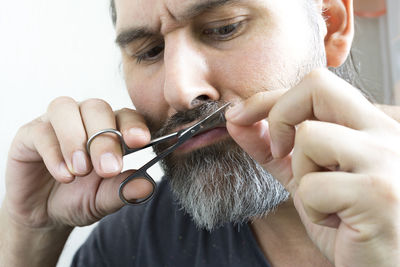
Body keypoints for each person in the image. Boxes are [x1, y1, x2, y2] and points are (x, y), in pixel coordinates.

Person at [1, 0, 400, 266]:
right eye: (149, 51)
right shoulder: (134, 245)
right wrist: (30, 233)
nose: (179, 90)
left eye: (224, 28)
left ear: (331, 25)